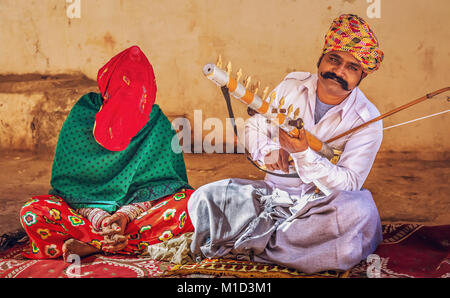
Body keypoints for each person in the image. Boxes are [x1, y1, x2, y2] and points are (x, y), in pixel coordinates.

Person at [188, 14, 385, 273]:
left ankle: (252, 241)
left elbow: (349, 184)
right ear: (322, 57)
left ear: (361, 76)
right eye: (334, 59)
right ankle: (286, 247)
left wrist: (303, 153)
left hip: (320, 207)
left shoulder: (367, 119)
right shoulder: (292, 86)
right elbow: (255, 127)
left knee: (359, 212)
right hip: (269, 198)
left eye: (352, 67)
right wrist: (268, 150)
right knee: (205, 198)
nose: (338, 71)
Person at [19, 46, 194, 260]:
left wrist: (124, 215)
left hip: (136, 216)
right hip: (84, 214)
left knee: (192, 204)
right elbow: (68, 188)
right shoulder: (82, 115)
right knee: (33, 212)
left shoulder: (155, 122)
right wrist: (99, 218)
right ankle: (124, 244)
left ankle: (92, 244)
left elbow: (161, 185)